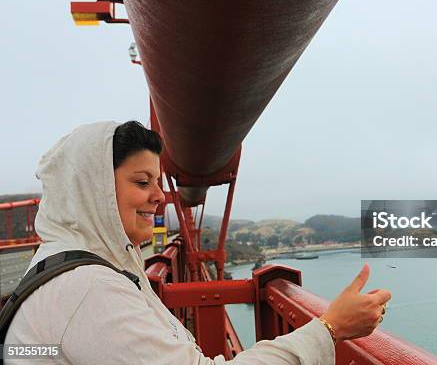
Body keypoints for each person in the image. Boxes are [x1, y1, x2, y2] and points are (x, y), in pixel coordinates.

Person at [5, 121, 391, 364]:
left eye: (157, 182)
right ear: (94, 192)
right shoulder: (87, 289)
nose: (159, 197)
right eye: (142, 182)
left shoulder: (60, 267)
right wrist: (329, 327)